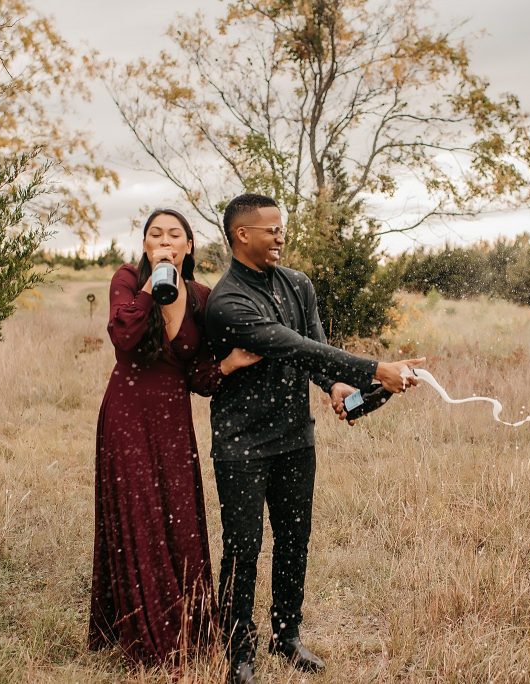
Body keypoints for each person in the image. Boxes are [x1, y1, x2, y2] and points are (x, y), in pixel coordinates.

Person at [204, 193, 422, 684]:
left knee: (294, 539)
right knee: (243, 547)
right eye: (271, 229)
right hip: (241, 444)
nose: (281, 235)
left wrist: (336, 385)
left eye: (283, 228)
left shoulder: (298, 285)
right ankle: (238, 652)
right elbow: (290, 344)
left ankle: (287, 636)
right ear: (242, 235)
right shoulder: (228, 301)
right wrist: (376, 368)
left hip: (295, 439)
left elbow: (314, 351)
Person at [88, 208, 260, 667]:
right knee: (139, 515)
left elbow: (199, 377)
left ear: (189, 245)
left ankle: (191, 626)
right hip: (127, 413)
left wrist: (231, 364)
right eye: (154, 234)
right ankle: (147, 634)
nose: (164, 240)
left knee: (180, 518)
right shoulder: (127, 279)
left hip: (172, 418)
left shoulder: (203, 297)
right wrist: (153, 283)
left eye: (174, 235)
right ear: (144, 243)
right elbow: (123, 336)